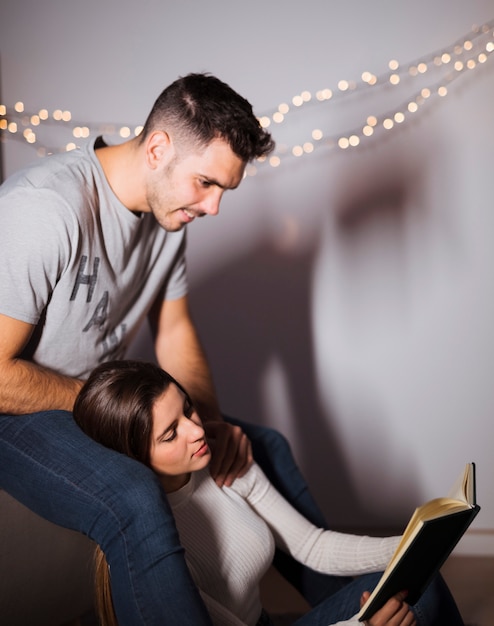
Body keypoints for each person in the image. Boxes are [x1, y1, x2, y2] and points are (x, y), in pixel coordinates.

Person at [0, 72, 354, 625]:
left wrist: (207, 421)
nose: (214, 208)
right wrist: (109, 406)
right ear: (159, 148)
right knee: (135, 497)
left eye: (224, 191)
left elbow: (176, 333)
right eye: (206, 184)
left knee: (265, 447)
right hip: (16, 409)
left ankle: (359, 606)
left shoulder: (167, 217)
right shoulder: (45, 209)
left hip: (99, 398)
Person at [73, 359, 465, 626]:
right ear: (135, 459)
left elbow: (312, 546)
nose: (197, 431)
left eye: (187, 410)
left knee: (419, 583)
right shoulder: (152, 547)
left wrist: (413, 545)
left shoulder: (220, 460)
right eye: (171, 434)